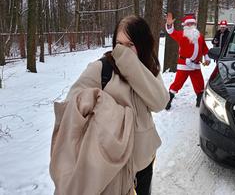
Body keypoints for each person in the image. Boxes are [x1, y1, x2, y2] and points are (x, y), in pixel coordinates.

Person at [49, 15, 169, 195]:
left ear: (142, 44)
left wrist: (132, 65)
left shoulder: (148, 68)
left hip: (145, 160)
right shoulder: (101, 68)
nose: (123, 51)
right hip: (115, 166)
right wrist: (109, 110)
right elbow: (72, 105)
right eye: (119, 44)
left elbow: (159, 102)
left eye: (130, 45)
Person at [165, 13, 211, 110]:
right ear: (185, 25)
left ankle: (199, 100)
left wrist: (206, 57)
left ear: (195, 24)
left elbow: (204, 48)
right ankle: (168, 100)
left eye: (192, 24)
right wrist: (169, 25)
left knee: (199, 83)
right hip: (184, 64)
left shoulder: (200, 36)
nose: (190, 25)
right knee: (177, 83)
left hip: (196, 65)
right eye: (188, 24)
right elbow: (171, 32)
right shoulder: (181, 35)